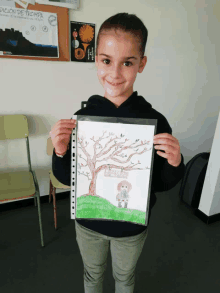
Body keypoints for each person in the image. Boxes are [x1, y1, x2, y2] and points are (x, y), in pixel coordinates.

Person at [50, 12, 185, 293]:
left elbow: (160, 183)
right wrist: (61, 151)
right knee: (92, 276)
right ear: (96, 59)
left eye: (127, 63)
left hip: (131, 228)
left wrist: (175, 162)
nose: (114, 74)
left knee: (125, 278)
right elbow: (67, 178)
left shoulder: (155, 121)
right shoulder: (82, 118)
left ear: (141, 64)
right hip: (88, 225)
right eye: (106, 61)